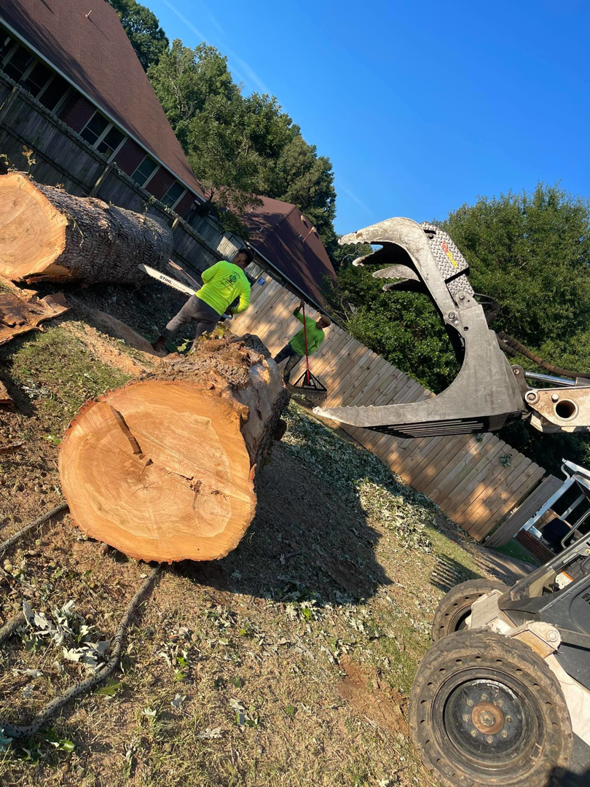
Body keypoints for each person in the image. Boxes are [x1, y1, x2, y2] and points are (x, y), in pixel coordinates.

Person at [152, 248, 253, 353]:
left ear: (238, 259)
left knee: (178, 320)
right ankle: (189, 361)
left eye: (236, 256)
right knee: (200, 340)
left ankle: (159, 343)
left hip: (198, 301)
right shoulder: (245, 284)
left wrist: (207, 285)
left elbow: (205, 275)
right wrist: (231, 310)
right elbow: (244, 306)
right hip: (214, 313)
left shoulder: (223, 264)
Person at [273, 300, 331, 382]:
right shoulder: (309, 321)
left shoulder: (321, 335)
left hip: (299, 353)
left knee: (287, 370)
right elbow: (296, 314)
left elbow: (315, 346)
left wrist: (309, 352)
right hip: (291, 346)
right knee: (276, 360)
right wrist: (300, 307)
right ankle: (263, 370)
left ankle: (285, 385)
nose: (322, 325)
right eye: (322, 322)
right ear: (320, 320)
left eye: (324, 325)